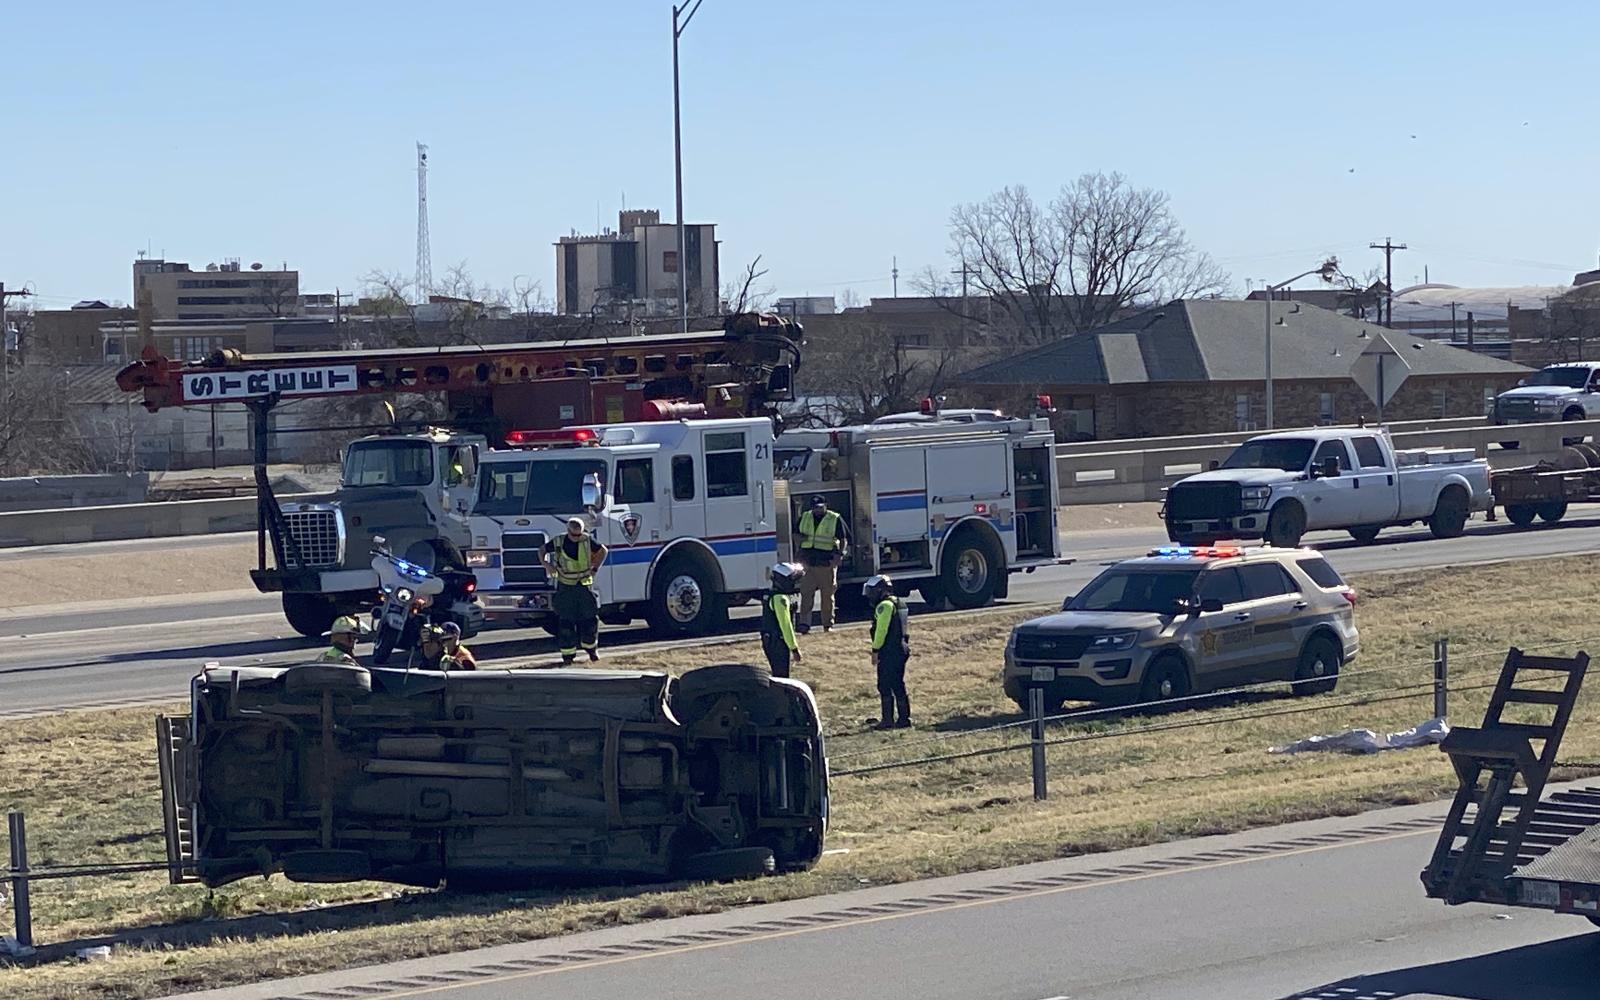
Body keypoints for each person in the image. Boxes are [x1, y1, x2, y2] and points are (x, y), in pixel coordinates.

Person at [544, 517, 608, 665]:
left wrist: (595, 568)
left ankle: (592, 651)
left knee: (590, 619)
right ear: (568, 532)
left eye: (579, 534)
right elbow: (541, 550)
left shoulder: (587, 540)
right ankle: (568, 657)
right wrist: (547, 565)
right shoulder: (559, 541)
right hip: (565, 587)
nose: (577, 538)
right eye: (575, 535)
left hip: (584, 586)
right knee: (566, 622)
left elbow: (603, 550)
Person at [796, 495, 849, 633]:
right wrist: (800, 542)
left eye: (820, 507)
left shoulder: (834, 518)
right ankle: (804, 624)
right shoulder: (805, 517)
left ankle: (827, 624)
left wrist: (839, 556)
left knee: (827, 596)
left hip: (826, 563)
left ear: (825, 505)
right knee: (806, 594)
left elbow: (843, 539)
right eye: (815, 507)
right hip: (808, 563)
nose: (817, 510)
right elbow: (794, 534)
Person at [865, 574, 912, 730]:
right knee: (898, 683)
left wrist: (875, 650)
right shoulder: (900, 603)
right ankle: (904, 719)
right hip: (902, 647)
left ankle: (887, 720)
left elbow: (881, 630)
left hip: (889, 650)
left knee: (884, 684)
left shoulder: (884, 606)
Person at [760, 562, 804, 678]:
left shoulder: (770, 594)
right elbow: (785, 624)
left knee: (777, 673)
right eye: (792, 580)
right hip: (777, 641)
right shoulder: (781, 599)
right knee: (782, 676)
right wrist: (794, 648)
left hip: (769, 639)